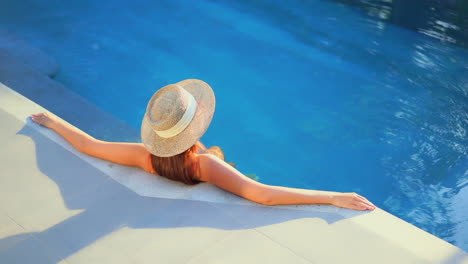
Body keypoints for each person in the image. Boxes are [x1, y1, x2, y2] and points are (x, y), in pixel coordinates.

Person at [30, 79, 376, 211]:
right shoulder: (205, 166)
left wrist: (54, 123)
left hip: (184, 164)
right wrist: (332, 196)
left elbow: (90, 145)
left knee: (215, 151)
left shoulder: (142, 156)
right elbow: (264, 194)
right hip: (208, 166)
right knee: (218, 153)